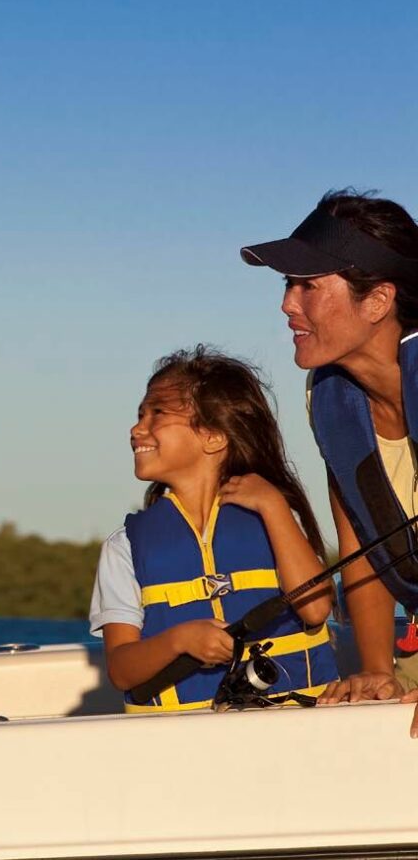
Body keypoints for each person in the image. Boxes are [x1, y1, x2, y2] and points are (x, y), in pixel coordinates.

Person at [240, 190, 418, 729]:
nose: (288, 304)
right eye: (288, 285)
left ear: (377, 300)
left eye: (308, 286)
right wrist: (375, 671)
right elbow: (362, 546)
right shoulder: (332, 397)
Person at [89, 347, 338, 711]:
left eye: (157, 413)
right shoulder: (124, 546)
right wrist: (179, 640)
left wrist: (274, 506)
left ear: (214, 437)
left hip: (293, 725)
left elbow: (316, 610)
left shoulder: (276, 517)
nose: (137, 428)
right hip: (183, 741)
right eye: (140, 413)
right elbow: (122, 670)